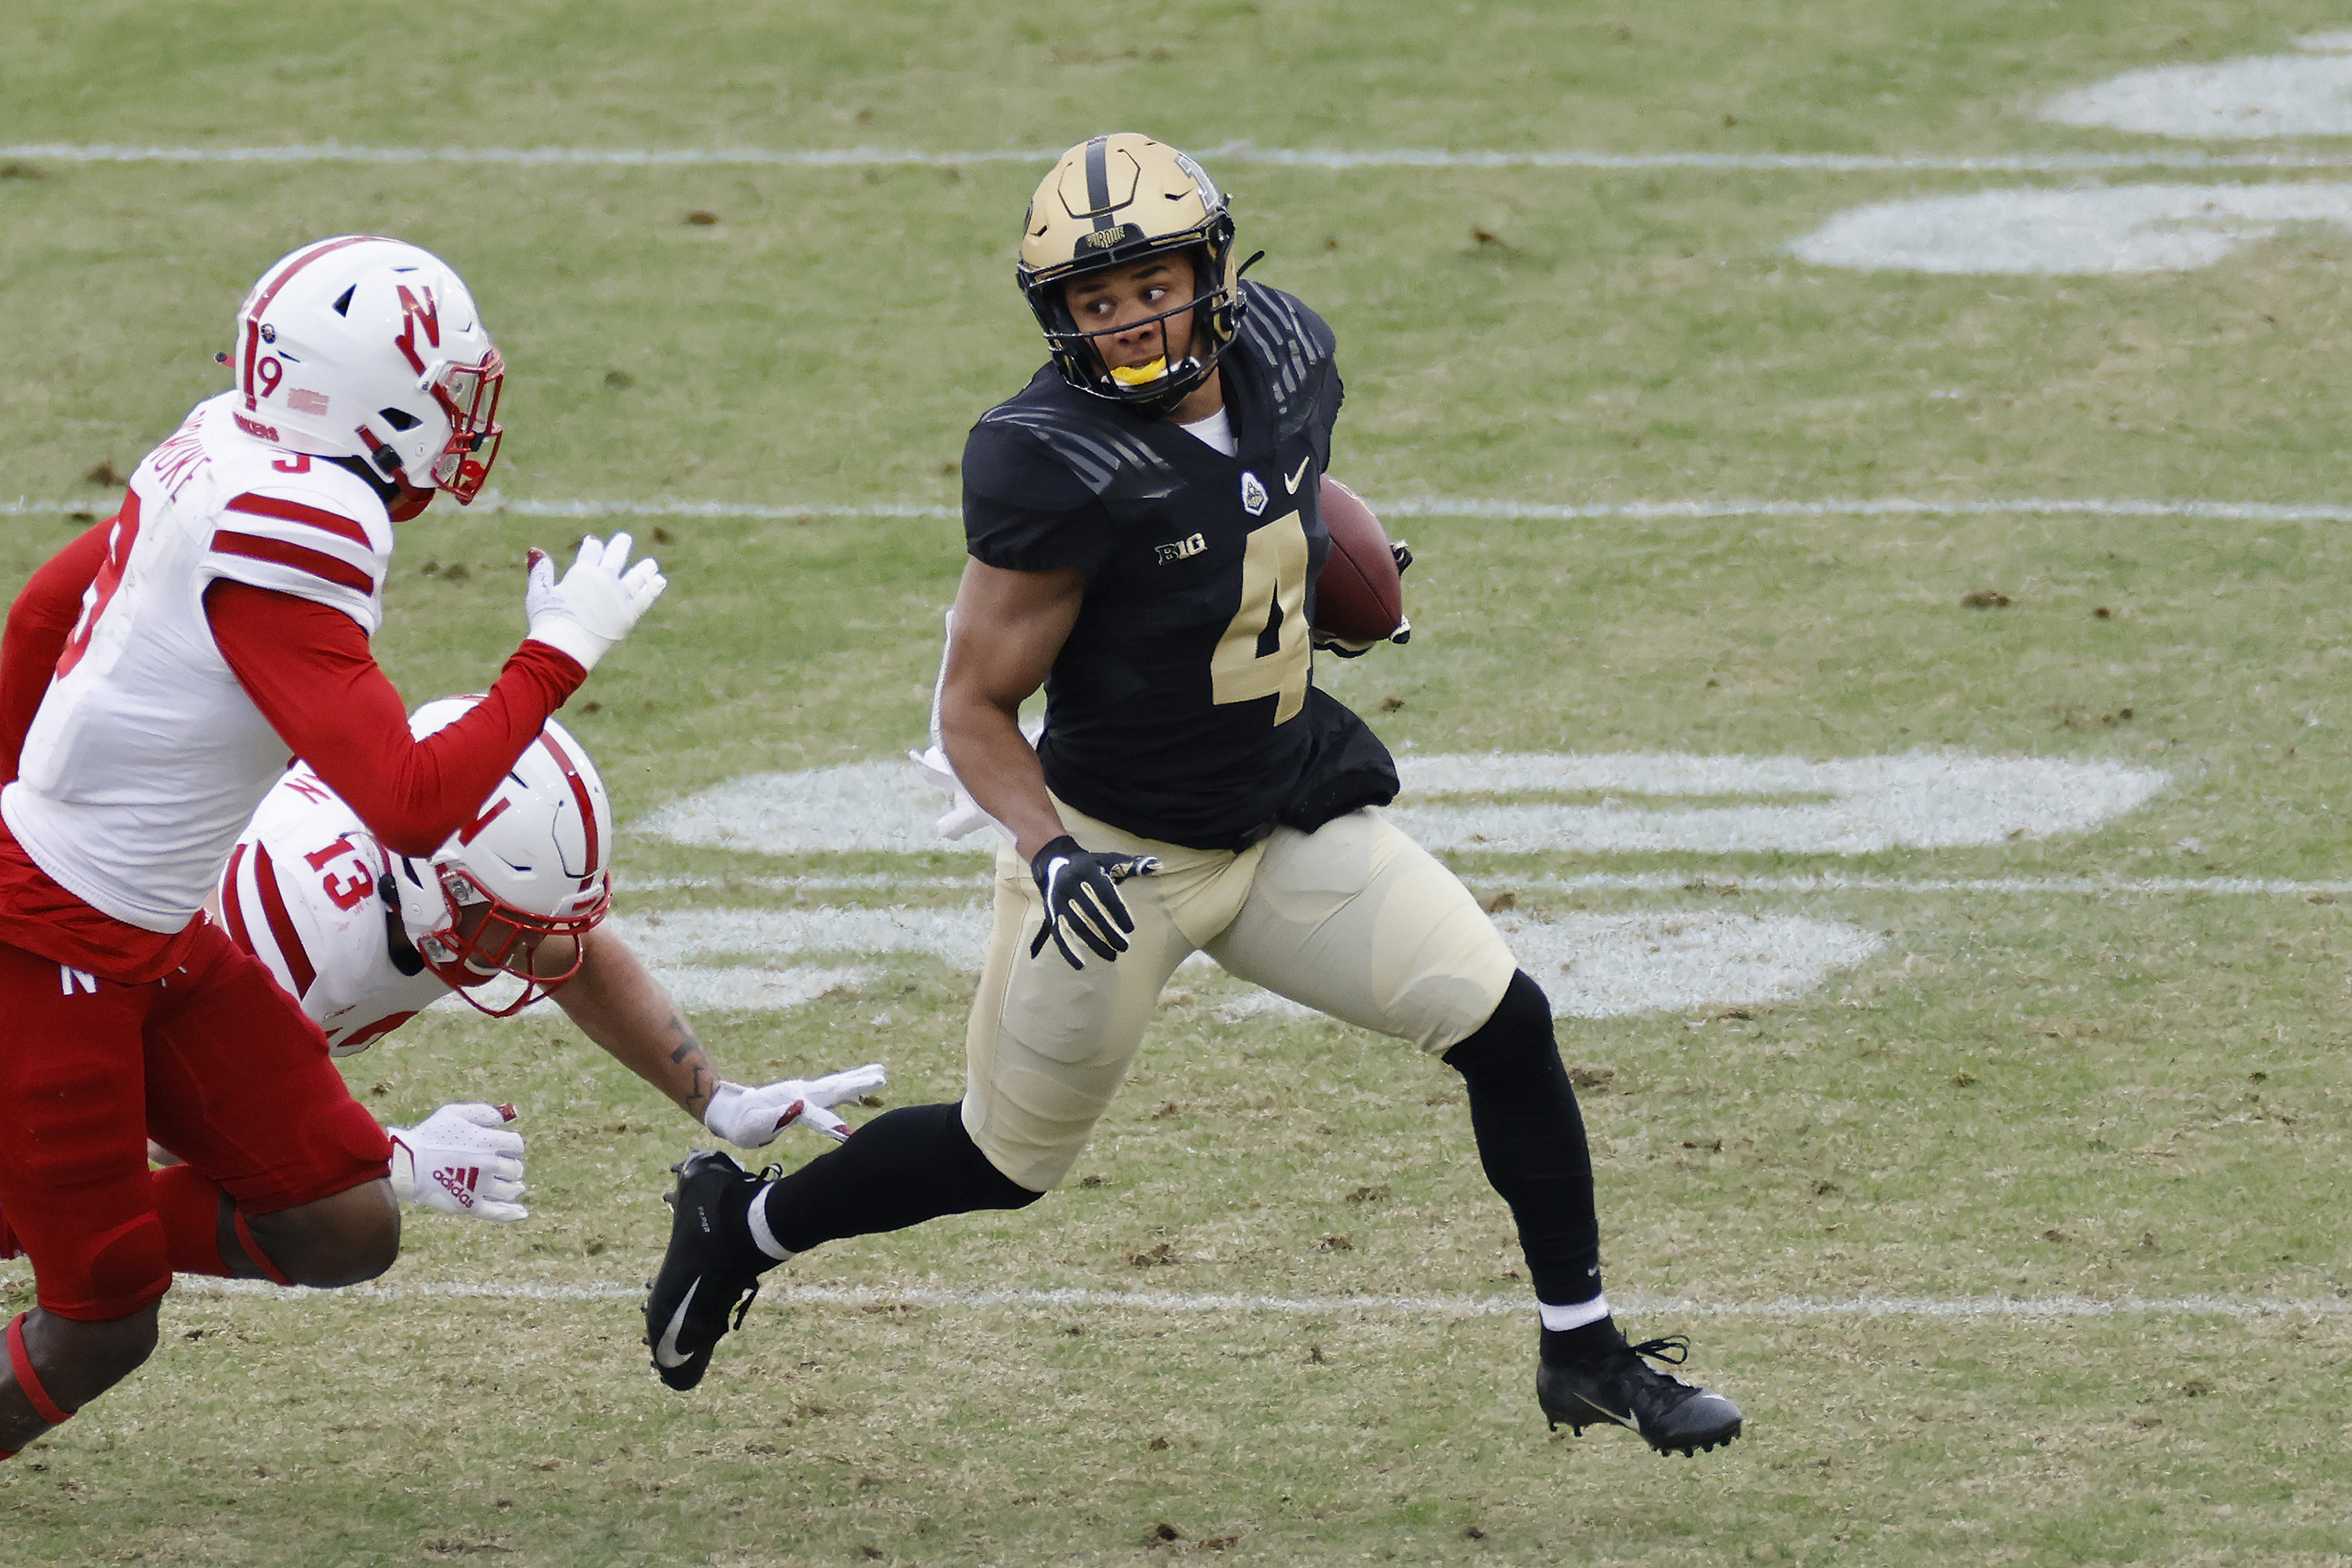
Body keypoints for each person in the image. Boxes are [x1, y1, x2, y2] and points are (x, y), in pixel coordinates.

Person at [644, 135, 1741, 1456]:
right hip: (1116, 859)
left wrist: (1319, 592)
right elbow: (973, 710)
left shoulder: (1285, 354)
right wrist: (1045, 848)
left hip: (1278, 813)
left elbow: (1267, 508)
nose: (1129, 320)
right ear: (1059, 321)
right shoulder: (1051, 459)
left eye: (1152, 285)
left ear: (1215, 274)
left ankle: (1586, 1349)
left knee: (1504, 1021)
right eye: (1095, 303)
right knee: (1003, 1163)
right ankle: (743, 1225)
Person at [0, 236, 665, 1461]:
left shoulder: (227, 438)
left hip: (149, 927)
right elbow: (409, 805)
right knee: (102, 1320)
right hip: (54, 940)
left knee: (343, 1222)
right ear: (379, 393)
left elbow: (48, 607)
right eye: (448, 387)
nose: (467, 415)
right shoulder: (306, 515)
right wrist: (557, 653)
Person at [199, 698, 883, 1222]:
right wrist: (397, 1160)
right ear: (430, 881)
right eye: (511, 923)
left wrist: (719, 1101)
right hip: (111, 1011)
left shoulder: (430, 892)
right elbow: (183, 1123)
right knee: (339, 1227)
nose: (533, 950)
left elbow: (578, 960)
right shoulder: (295, 927)